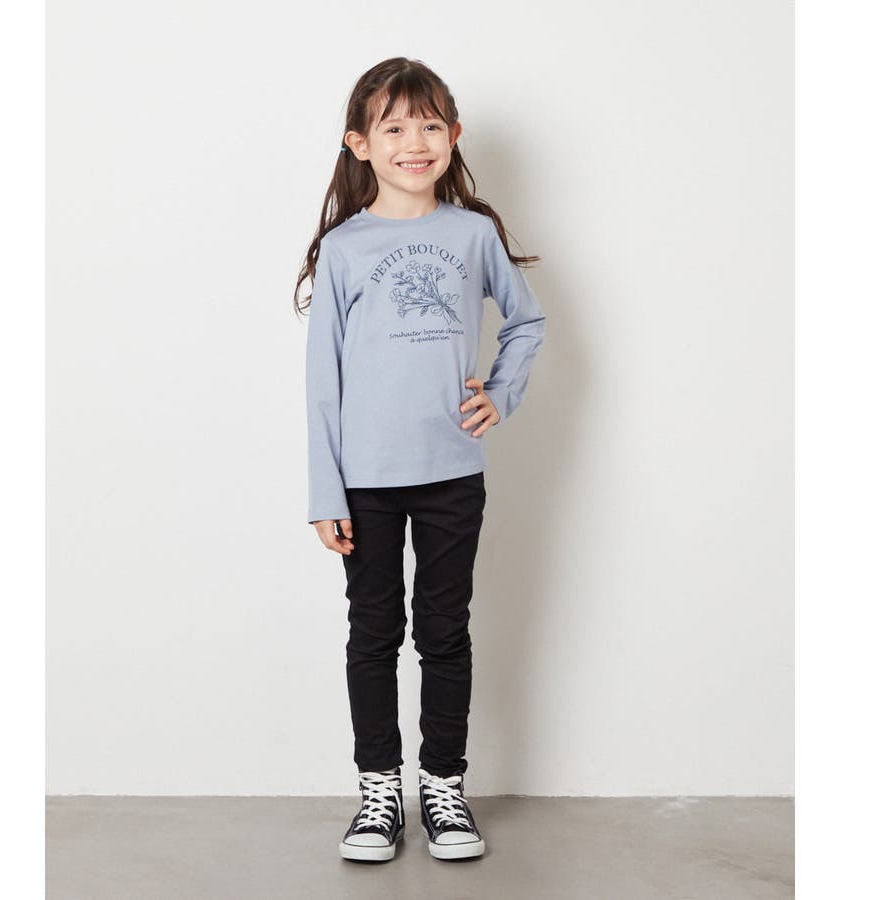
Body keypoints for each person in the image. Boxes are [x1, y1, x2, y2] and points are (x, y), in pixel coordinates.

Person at [294, 57, 546, 863]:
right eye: (394, 127)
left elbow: (527, 322)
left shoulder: (472, 234)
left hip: (452, 473)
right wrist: (325, 490)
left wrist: (499, 395)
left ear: (454, 135)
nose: (415, 141)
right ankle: (379, 792)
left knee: (444, 632)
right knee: (373, 633)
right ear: (360, 144)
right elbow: (322, 381)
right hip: (364, 481)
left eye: (431, 125)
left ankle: (442, 786)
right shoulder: (344, 248)